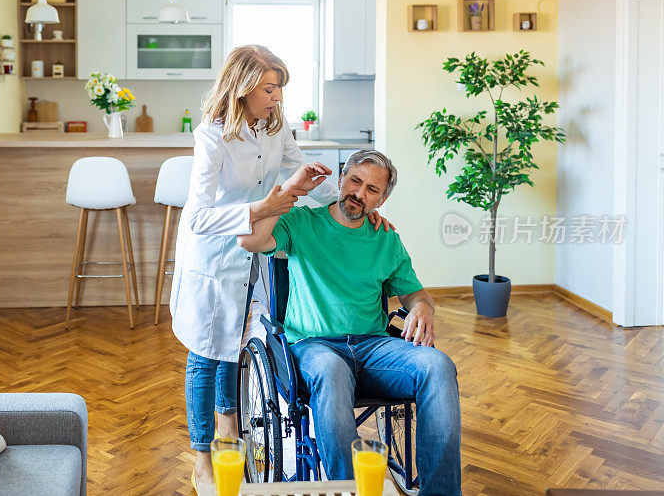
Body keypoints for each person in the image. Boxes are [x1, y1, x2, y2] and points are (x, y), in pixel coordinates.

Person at [169, 46, 395, 493]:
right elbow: (197, 217)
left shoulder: (274, 129)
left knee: (235, 348)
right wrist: (264, 206)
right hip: (212, 257)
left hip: (251, 254)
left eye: (279, 89)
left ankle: (229, 435)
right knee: (205, 355)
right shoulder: (212, 137)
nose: (277, 98)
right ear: (243, 86)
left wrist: (352, 204)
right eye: (270, 89)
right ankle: (202, 456)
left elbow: (302, 169)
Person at [237, 149, 462, 495]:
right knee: (331, 369)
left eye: (372, 189)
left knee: (439, 365)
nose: (359, 194)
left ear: (383, 198)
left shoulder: (386, 239)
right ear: (341, 178)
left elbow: (415, 295)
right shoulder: (302, 222)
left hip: (373, 348)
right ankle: (352, 489)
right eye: (355, 181)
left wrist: (423, 308)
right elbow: (250, 239)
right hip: (314, 347)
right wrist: (293, 191)